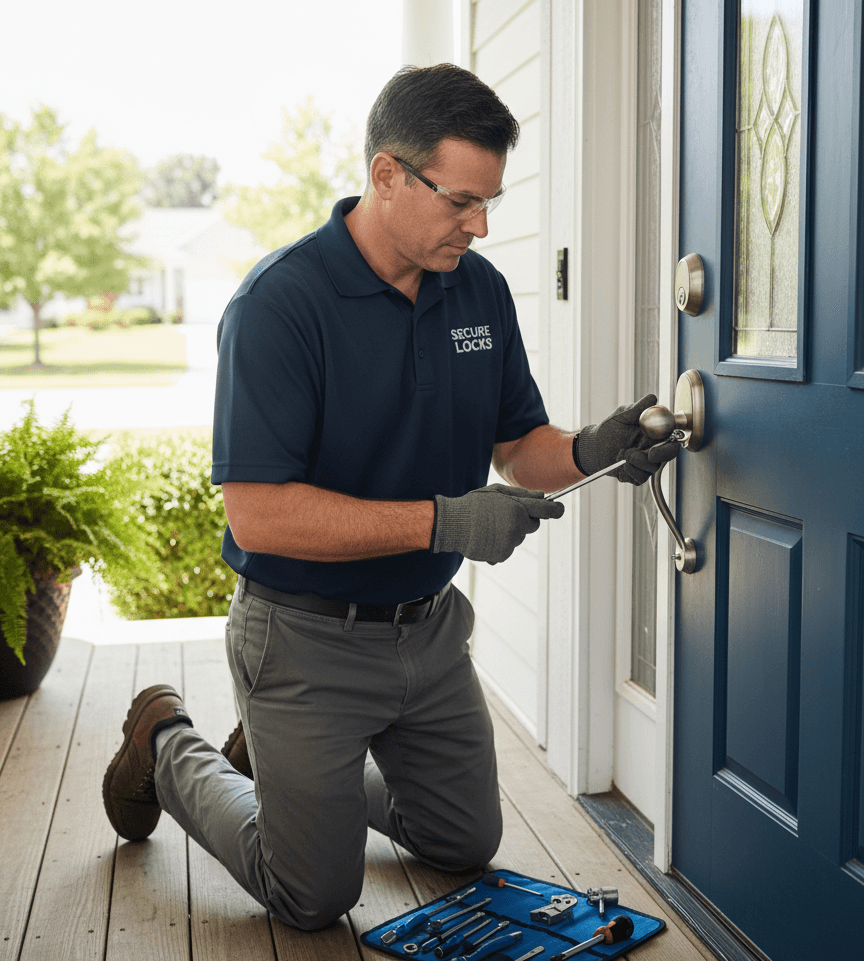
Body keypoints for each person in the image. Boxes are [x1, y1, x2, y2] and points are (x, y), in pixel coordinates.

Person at [102, 64, 677, 931]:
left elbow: (519, 445)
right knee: (313, 896)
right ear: (386, 175)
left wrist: (592, 450)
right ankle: (166, 741)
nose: (480, 225)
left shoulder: (476, 288)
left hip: (429, 633)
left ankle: (297, 771)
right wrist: (448, 521)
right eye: (461, 201)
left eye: (490, 202)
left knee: (462, 841)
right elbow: (258, 514)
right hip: (302, 636)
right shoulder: (279, 305)